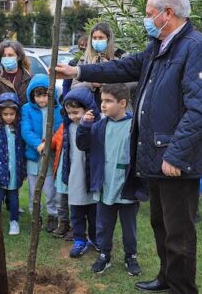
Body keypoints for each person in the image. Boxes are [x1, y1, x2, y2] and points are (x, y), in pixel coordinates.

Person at [56, 0, 202, 294]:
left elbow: (200, 110)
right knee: (160, 222)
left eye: (149, 14)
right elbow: (125, 68)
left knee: (179, 229)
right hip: (157, 155)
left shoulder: (197, 48)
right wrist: (79, 72)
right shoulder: (161, 46)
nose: (147, 20)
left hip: (176, 159)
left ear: (168, 14)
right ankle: (166, 276)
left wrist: (176, 155)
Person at [78, 84, 146, 275]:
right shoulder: (99, 126)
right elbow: (83, 145)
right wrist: (84, 126)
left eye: (108, 101)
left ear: (122, 103)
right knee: (103, 224)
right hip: (105, 185)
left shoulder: (136, 126)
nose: (103, 105)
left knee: (129, 226)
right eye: (102, 101)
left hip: (127, 186)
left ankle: (130, 256)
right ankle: (104, 255)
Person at [55, 87, 99, 258]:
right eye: (69, 112)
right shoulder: (67, 126)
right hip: (74, 174)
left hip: (90, 174)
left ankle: (95, 238)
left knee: (93, 211)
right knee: (76, 210)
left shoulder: (96, 125)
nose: (73, 116)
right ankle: (79, 239)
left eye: (76, 112)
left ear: (87, 109)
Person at [21, 74, 63, 233]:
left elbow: (59, 129)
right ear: (32, 95)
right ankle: (35, 216)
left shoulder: (58, 109)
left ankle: (53, 215)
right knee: (33, 189)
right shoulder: (26, 109)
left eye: (45, 94)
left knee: (50, 188)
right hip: (34, 155)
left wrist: (49, 144)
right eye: (38, 95)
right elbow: (26, 130)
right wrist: (38, 145)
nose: (42, 99)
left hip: (51, 155)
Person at [0, 92, 26, 236]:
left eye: (11, 114)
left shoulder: (19, 129)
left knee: (14, 198)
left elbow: (22, 149)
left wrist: (22, 170)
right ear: (0, 114)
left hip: (15, 171)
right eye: (5, 114)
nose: (9, 117)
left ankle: (14, 221)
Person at [70, 23, 129, 101]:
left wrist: (110, 73)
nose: (97, 41)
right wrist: (91, 84)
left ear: (108, 39)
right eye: (94, 38)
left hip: (115, 104)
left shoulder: (121, 56)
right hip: (91, 105)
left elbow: (130, 83)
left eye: (101, 38)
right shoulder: (85, 58)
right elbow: (74, 86)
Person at [0, 39, 33, 134]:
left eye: (10, 55)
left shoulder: (29, 78)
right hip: (0, 127)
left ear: (18, 57)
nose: (7, 58)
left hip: (24, 126)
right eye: (4, 56)